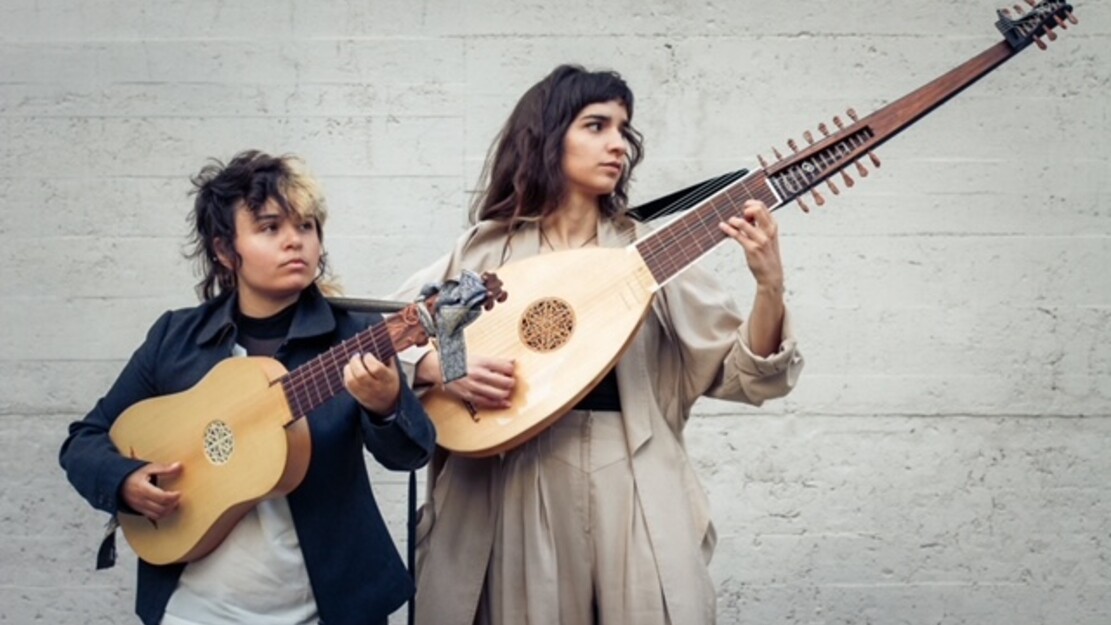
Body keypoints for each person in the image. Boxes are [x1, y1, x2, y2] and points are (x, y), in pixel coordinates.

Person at [393, 65, 804, 625]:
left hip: (629, 468)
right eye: (596, 126)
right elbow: (394, 338)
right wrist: (449, 366)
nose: (617, 145)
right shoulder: (490, 254)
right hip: (515, 472)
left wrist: (769, 285)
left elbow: (744, 375)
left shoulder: (652, 257)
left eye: (623, 130)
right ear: (547, 135)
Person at [59, 150, 436, 625]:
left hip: (325, 609)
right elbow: (84, 441)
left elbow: (410, 453)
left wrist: (387, 406)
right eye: (270, 227)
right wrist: (124, 482)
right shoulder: (176, 340)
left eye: (306, 226)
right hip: (192, 610)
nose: (294, 242)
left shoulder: (354, 336)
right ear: (224, 250)